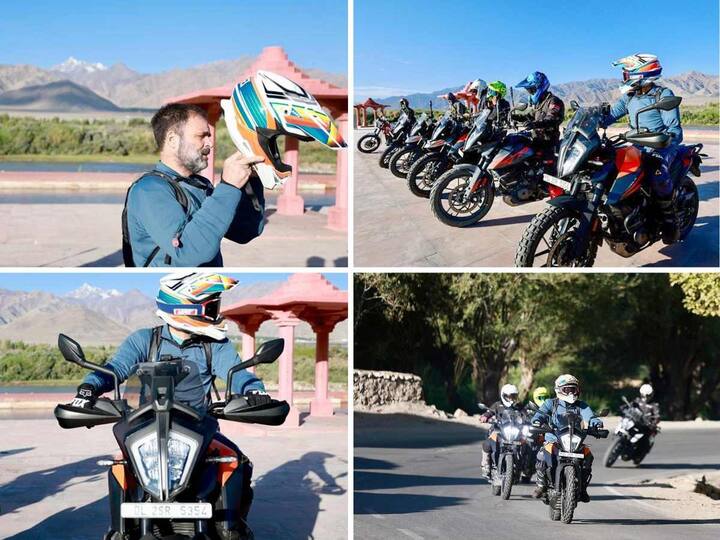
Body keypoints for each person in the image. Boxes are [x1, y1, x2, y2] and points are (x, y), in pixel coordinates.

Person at [70, 272, 268, 534]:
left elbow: (238, 373)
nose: (215, 313)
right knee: (119, 466)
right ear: (185, 308)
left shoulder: (214, 345)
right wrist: (88, 388)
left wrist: (254, 392)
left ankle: (232, 527)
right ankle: (119, 531)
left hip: (199, 427)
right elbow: (115, 369)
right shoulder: (145, 339)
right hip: (146, 427)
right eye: (211, 307)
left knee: (238, 461)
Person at [123, 103, 266, 267]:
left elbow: (244, 231)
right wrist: (228, 187)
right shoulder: (149, 190)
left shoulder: (201, 185)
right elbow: (189, 251)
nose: (209, 144)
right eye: (201, 136)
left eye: (209, 136)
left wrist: (250, 181)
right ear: (172, 140)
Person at [600, 53, 683, 242]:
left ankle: (671, 221)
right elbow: (611, 114)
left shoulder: (663, 95)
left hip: (661, 145)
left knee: (656, 171)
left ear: (642, 74)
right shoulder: (630, 97)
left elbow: (673, 130)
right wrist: (594, 119)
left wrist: (662, 140)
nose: (625, 78)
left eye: (627, 74)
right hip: (636, 144)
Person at [531, 374, 603, 502]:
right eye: (567, 389)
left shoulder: (582, 405)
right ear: (559, 390)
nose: (570, 392)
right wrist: (537, 421)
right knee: (542, 454)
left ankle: (582, 489)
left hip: (575, 440)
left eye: (573, 389)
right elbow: (539, 415)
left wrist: (595, 423)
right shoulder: (550, 403)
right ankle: (541, 486)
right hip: (554, 439)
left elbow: (590, 417)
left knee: (588, 456)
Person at [512, 71, 565, 162]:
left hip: (548, 144)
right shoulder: (540, 103)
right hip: (537, 140)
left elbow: (551, 119)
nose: (530, 93)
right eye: (529, 90)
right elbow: (529, 116)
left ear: (539, 87)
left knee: (543, 169)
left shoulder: (554, 102)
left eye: (532, 90)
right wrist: (514, 117)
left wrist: (534, 124)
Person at [480, 383, 525, 478]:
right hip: (499, 430)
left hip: (514, 431)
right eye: (509, 396)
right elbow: (489, 412)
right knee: (488, 443)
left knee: (527, 442)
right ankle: (486, 464)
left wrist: (531, 421)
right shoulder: (497, 405)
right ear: (503, 396)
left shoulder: (519, 406)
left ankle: (523, 467)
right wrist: (485, 416)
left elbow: (525, 415)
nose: (511, 399)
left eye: (514, 396)